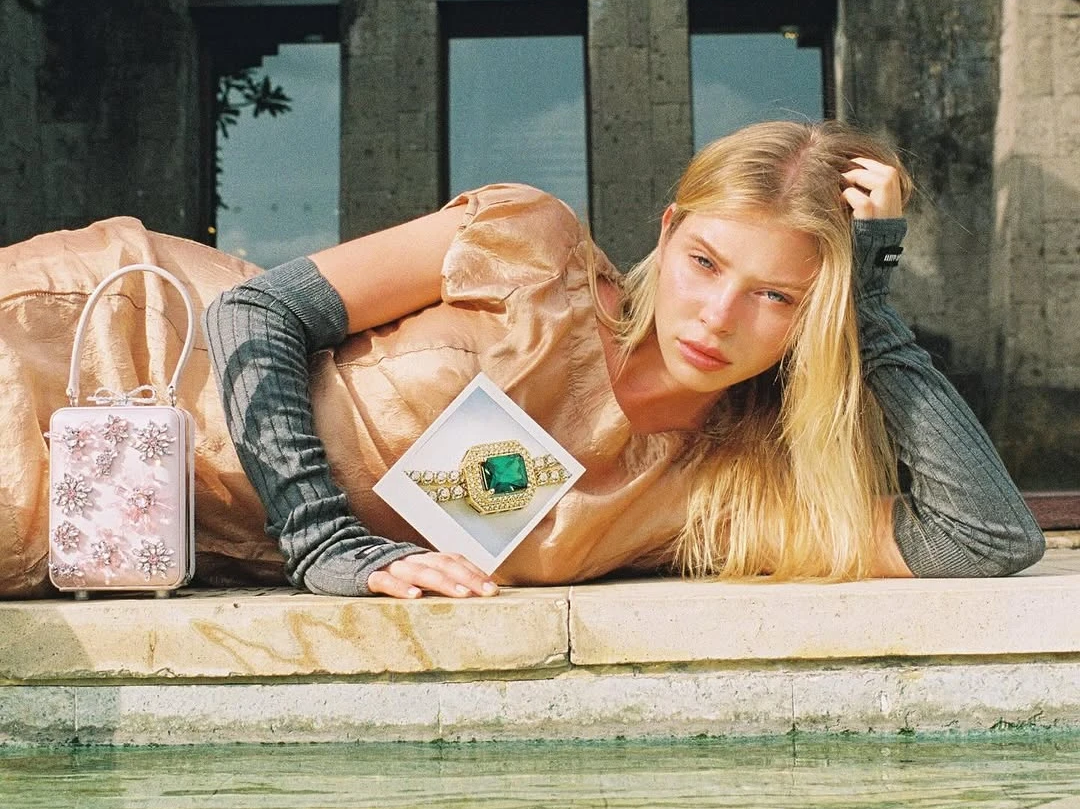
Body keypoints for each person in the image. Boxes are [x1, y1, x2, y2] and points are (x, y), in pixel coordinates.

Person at [0, 120, 1044, 600]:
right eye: (705, 262)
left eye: (780, 297)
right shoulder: (533, 249)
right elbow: (256, 314)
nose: (719, 314)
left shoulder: (719, 492)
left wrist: (873, 305)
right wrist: (327, 544)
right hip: (110, 351)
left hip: (129, 528)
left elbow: (987, 537)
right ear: (669, 230)